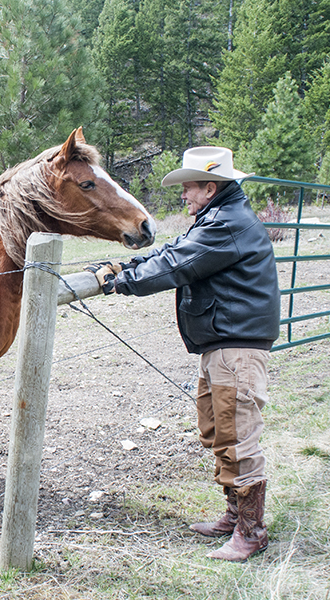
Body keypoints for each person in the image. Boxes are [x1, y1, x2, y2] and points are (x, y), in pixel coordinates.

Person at [87, 146, 280, 562]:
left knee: (236, 436)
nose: (184, 196)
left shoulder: (226, 225)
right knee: (218, 431)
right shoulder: (217, 218)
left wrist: (121, 283)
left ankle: (251, 532)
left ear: (210, 188)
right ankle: (234, 517)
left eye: (189, 188)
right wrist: (126, 267)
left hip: (236, 349)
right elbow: (168, 251)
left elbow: (176, 265)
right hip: (224, 345)